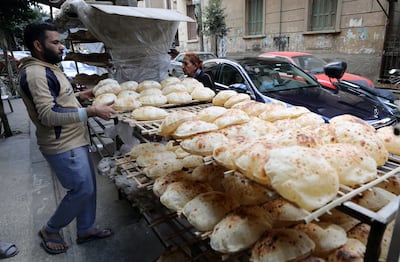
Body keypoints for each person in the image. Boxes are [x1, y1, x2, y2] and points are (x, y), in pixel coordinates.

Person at [18, 22, 116, 255]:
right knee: (81, 189)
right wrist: (91, 111)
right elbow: (48, 115)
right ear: (38, 45)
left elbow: (62, 101)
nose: (61, 47)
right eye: (55, 42)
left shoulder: (49, 67)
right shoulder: (36, 74)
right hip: (61, 144)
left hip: (75, 138)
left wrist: (83, 95)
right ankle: (51, 229)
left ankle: (85, 229)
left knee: (88, 188)